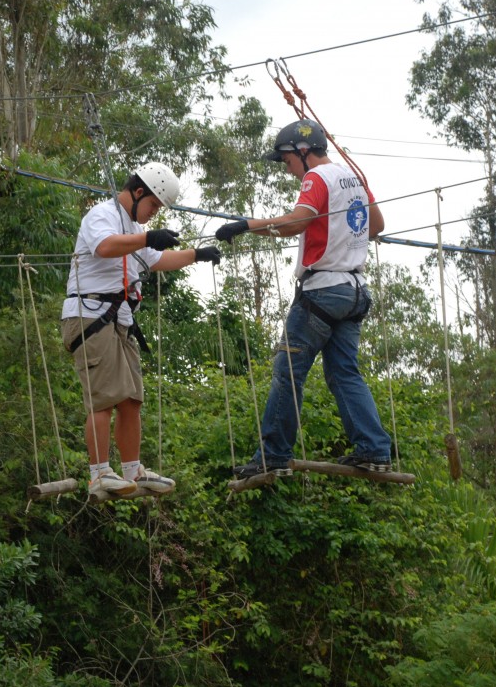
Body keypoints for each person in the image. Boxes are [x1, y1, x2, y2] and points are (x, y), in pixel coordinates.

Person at [215, 120, 392, 479]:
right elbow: (376, 225)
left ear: (303, 151)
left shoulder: (317, 178)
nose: (289, 170)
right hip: (354, 291)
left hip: (323, 292)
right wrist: (342, 233)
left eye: (287, 161)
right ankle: (374, 449)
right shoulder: (353, 176)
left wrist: (246, 225)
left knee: (288, 371)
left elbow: (298, 221)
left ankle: (273, 455)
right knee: (344, 373)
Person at [62, 162, 222, 497]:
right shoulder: (102, 216)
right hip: (90, 316)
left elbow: (158, 259)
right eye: (153, 205)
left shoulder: (132, 226)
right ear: (138, 193)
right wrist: (147, 236)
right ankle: (99, 473)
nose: (153, 214)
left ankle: (134, 470)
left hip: (119, 321)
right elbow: (105, 246)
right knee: (103, 398)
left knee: (131, 399)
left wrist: (197, 255)